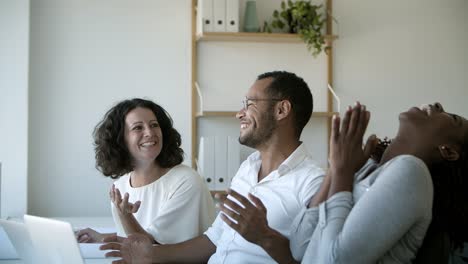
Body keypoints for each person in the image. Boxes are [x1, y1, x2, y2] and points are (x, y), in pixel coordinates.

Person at [100, 71, 326, 263]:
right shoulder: (248, 168)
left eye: (249, 104)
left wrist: (265, 237)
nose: (240, 113)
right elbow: (214, 239)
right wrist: (151, 255)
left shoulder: (313, 182)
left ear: (281, 110)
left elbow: (316, 260)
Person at [223, 101, 468, 263]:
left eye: (452, 117)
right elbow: (300, 248)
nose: (437, 105)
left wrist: (340, 172)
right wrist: (338, 170)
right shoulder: (370, 171)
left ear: (448, 151)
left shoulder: (412, 173)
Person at [76, 98, 216, 245]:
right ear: (121, 139)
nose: (149, 132)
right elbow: (135, 236)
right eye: (138, 128)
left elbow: (151, 250)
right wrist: (100, 237)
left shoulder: (186, 181)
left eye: (154, 125)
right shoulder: (120, 186)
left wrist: (126, 217)